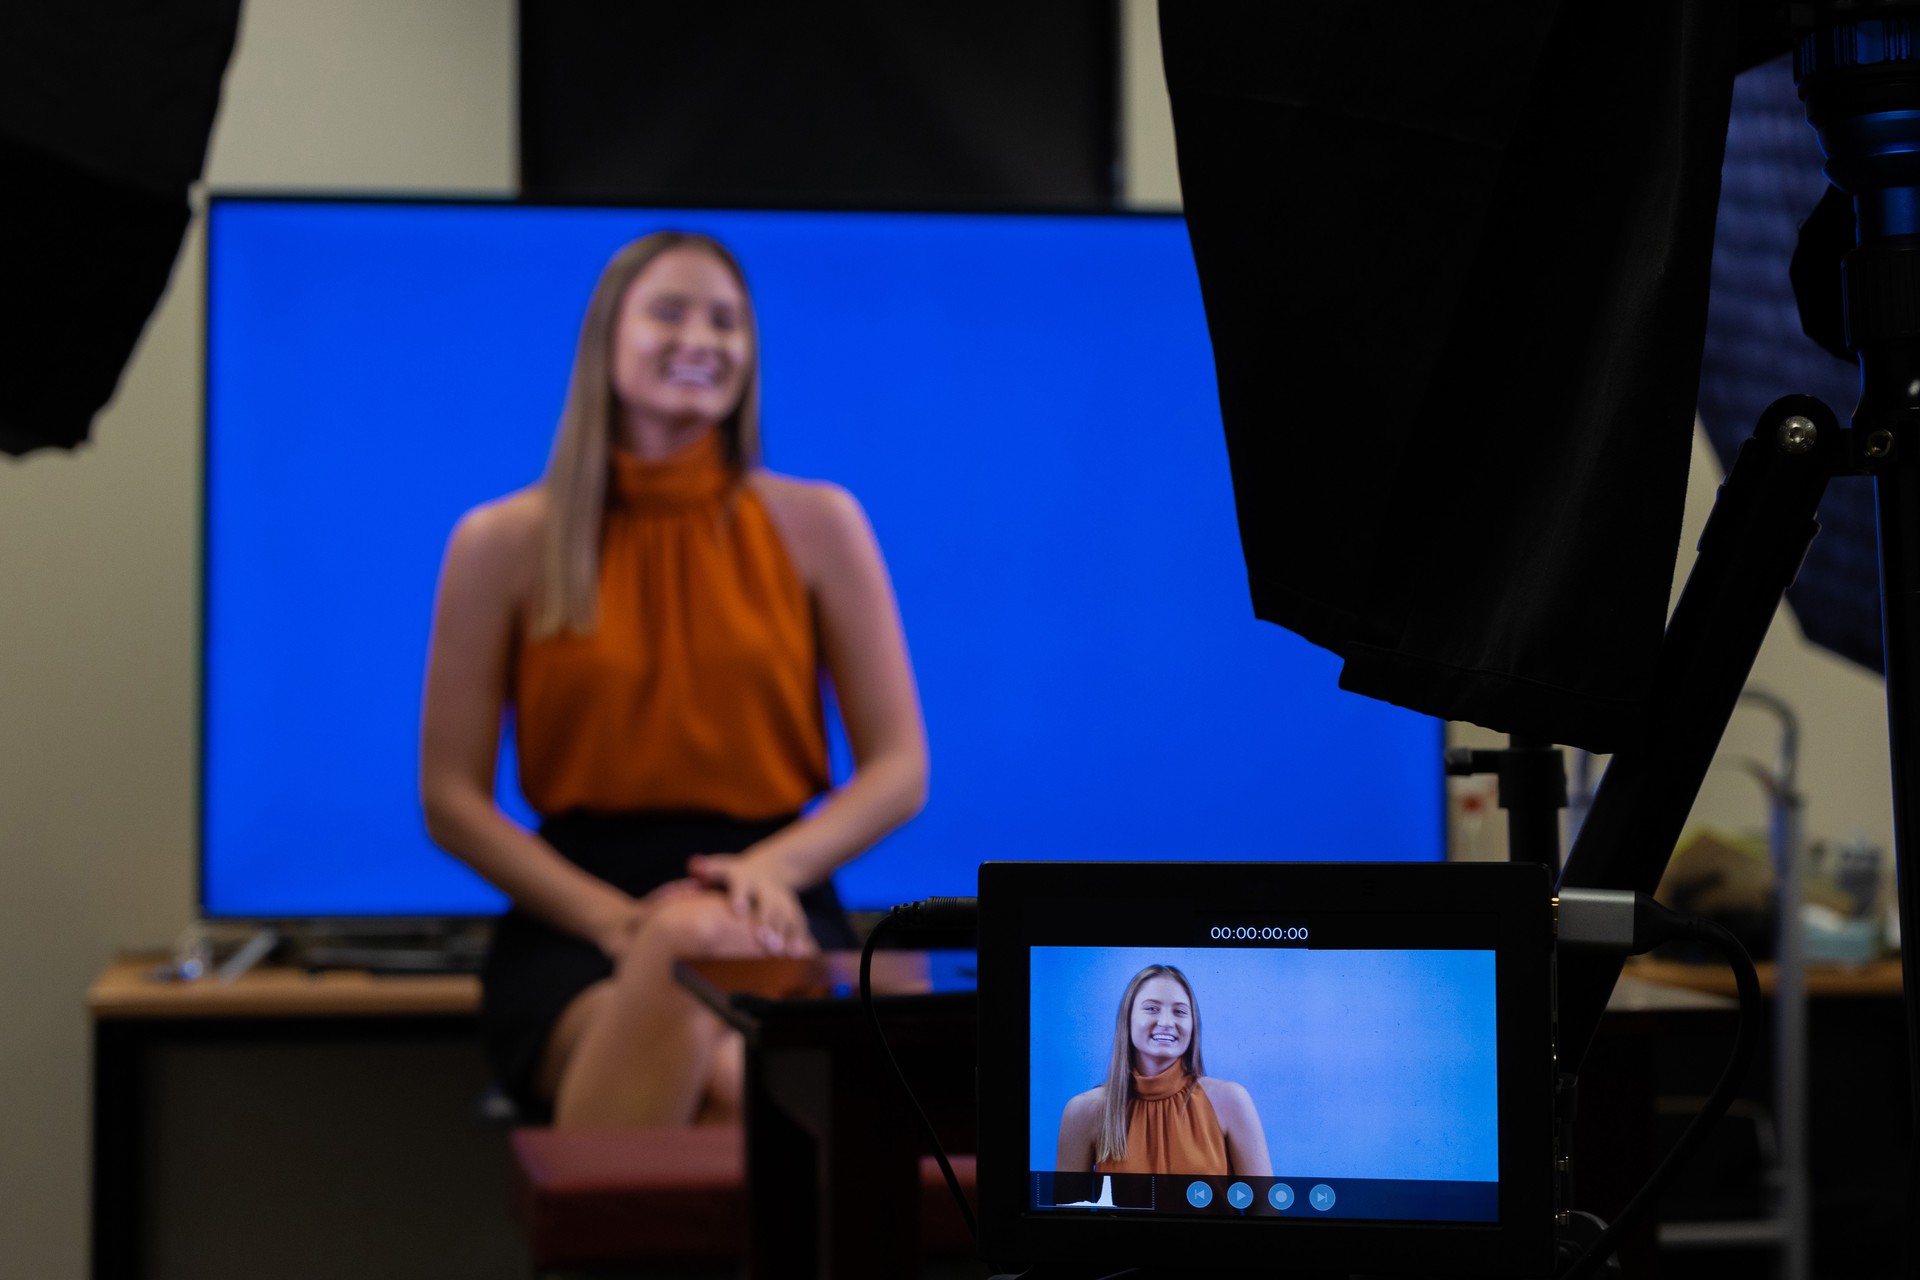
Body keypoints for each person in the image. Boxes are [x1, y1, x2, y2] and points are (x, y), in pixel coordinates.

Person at [420, 230, 927, 1127]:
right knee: (741, 1073)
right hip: (578, 921)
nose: (702, 338)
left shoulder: (820, 525)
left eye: (728, 321)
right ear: (605, 339)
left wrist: (763, 873)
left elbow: (899, 770)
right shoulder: (501, 543)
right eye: (670, 311)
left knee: (736, 1072)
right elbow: (449, 799)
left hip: (776, 898)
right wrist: (628, 928)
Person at [1056, 964, 1271, 1176]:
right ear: (1127, 1019)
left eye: (1179, 1012)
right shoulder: (1084, 1111)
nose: (1167, 1022)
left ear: (1193, 1024)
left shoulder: (1231, 1100)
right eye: (1151, 1008)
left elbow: (1265, 1207)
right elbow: (1067, 1209)